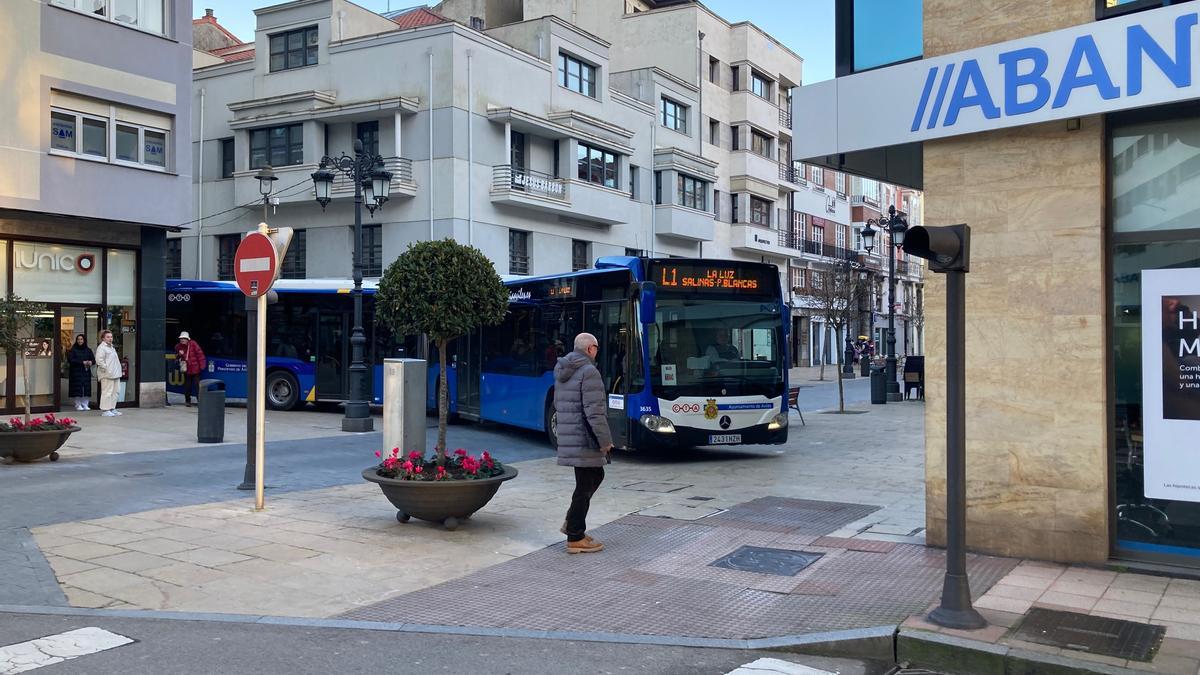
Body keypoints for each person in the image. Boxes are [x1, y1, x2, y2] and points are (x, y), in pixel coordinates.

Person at [553, 332, 612, 554]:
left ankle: (572, 525)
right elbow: (594, 412)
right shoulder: (589, 372)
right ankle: (575, 535)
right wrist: (605, 441)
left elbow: (560, 403)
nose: (597, 351)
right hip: (586, 437)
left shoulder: (561, 370)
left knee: (591, 478)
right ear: (589, 349)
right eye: (596, 347)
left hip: (571, 435)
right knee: (587, 483)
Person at [175, 331, 207, 407]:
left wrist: (202, 366)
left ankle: (200, 401)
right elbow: (176, 358)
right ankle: (187, 401)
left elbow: (200, 354)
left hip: (195, 369)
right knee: (187, 386)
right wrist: (179, 354)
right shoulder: (178, 347)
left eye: (184, 338)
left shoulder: (193, 344)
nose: (182, 340)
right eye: (181, 338)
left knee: (197, 386)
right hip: (186, 370)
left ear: (187, 339)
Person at [95, 330, 122, 417]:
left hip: (115, 373)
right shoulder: (101, 348)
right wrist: (106, 368)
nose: (110, 339)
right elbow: (99, 360)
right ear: (103, 338)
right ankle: (105, 410)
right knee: (107, 392)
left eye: (111, 337)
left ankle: (112, 408)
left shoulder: (111, 347)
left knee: (116, 392)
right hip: (107, 374)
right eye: (108, 337)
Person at [65, 334, 95, 411]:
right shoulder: (73, 350)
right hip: (76, 372)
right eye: (78, 339)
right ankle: (78, 404)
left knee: (86, 388)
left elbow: (93, 360)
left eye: (81, 339)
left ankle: (85, 404)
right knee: (77, 389)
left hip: (85, 372)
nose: (80, 341)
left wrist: (91, 362)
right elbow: (71, 360)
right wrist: (82, 362)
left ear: (84, 340)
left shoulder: (88, 350)